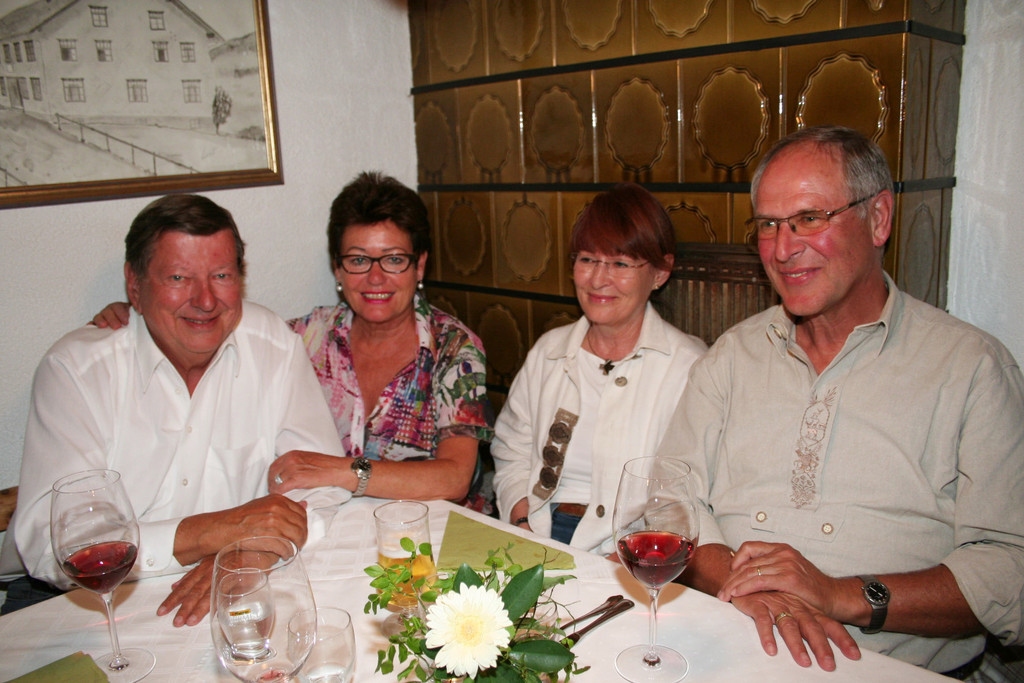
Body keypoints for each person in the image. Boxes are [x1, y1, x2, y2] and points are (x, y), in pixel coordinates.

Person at [661, 125, 1024, 678]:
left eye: (810, 218)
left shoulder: (972, 368)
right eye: (768, 225)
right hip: (725, 652)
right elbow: (669, 498)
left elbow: (1010, 571)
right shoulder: (732, 356)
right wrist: (746, 583)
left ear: (878, 218)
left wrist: (840, 594)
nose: (783, 249)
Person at [0, 194, 345, 626]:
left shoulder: (273, 344)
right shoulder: (78, 371)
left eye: (221, 275)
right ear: (134, 285)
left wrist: (248, 549)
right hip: (83, 601)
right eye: (179, 278)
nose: (205, 300)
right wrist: (215, 531)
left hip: (229, 582)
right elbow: (51, 545)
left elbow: (324, 484)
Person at [92, 172, 494, 504]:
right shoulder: (304, 336)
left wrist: (343, 471)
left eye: (393, 259)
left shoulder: (453, 348)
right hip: (335, 527)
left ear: (419, 265)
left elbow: (454, 479)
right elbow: (214, 323)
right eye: (357, 260)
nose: (375, 278)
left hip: (436, 533)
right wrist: (143, 309)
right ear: (337, 268)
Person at [491, 183, 707, 552]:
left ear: (660, 272)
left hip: (630, 550)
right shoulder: (549, 352)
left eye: (620, 264)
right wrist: (522, 522)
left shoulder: (689, 368)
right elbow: (511, 450)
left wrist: (627, 562)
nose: (597, 279)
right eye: (587, 259)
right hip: (537, 530)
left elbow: (688, 494)